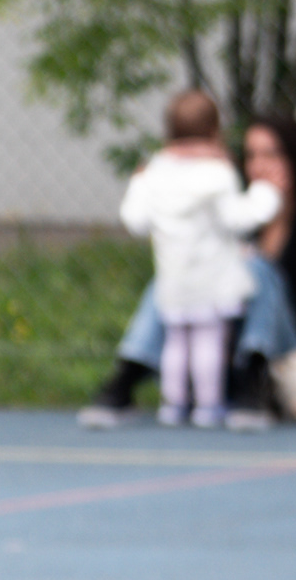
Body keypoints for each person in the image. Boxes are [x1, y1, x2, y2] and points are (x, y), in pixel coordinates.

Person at [80, 108, 296, 429]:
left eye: (271, 155)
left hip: (287, 345)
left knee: (257, 269)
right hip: (218, 336)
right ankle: (128, 373)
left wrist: (256, 280)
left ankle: (253, 375)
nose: (259, 166)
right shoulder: (235, 212)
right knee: (177, 276)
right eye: (252, 155)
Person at [108, 90, 280, 427]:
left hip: (173, 280)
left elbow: (135, 221)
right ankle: (208, 406)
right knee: (208, 343)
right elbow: (237, 219)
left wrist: (137, 184)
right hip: (213, 282)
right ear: (215, 130)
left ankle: (173, 405)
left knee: (176, 343)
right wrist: (266, 193)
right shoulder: (218, 173)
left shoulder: (156, 173)